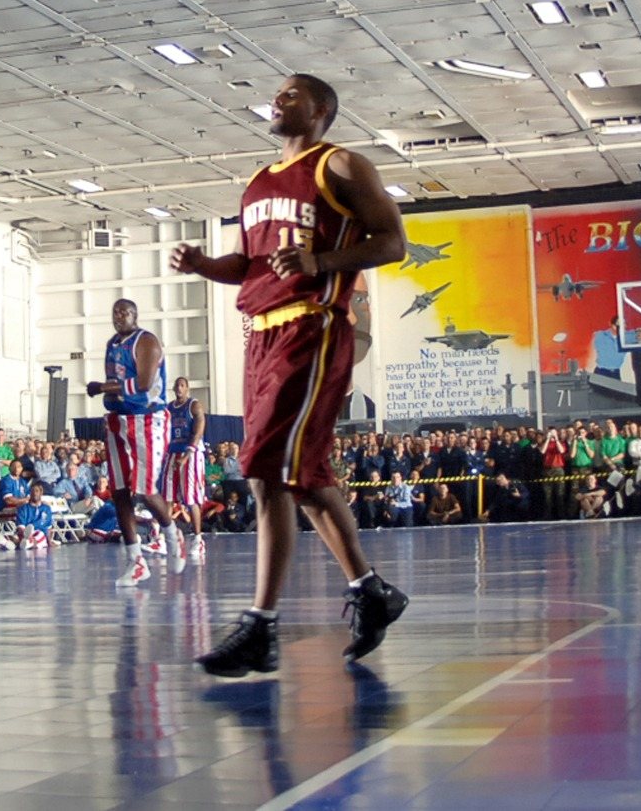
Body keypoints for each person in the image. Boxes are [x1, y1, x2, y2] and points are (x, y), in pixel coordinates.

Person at [170, 76, 409, 676]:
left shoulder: (341, 165)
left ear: (321, 110)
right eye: (275, 96)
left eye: (291, 95)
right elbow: (250, 265)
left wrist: (322, 262)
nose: (277, 102)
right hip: (262, 331)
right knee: (299, 474)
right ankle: (369, 590)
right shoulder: (258, 183)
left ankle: (261, 624)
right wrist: (204, 265)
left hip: (314, 327)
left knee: (266, 471)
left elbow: (394, 243)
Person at [87, 299, 178, 587]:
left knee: (146, 491)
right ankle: (136, 561)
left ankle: (173, 535)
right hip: (118, 419)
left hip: (147, 420)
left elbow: (143, 383)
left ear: (135, 315)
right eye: (114, 311)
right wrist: (107, 392)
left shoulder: (147, 341)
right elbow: (116, 381)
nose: (118, 316)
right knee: (120, 492)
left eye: (124, 312)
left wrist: (102, 388)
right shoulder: (113, 343)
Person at [163, 376, 208, 567]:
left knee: (191, 498)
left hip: (191, 452)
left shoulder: (194, 405)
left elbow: (198, 431)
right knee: (167, 496)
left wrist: (188, 453)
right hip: (173, 452)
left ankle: (198, 539)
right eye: (177, 385)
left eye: (183, 385)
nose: (179, 388)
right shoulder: (168, 408)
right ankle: (167, 537)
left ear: (187, 388)